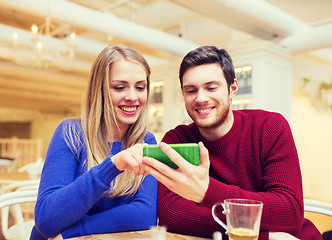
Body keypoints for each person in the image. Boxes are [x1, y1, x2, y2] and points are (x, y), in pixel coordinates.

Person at [142, 46, 322, 240]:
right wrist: (263, 236)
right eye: (191, 90)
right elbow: (173, 216)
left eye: (211, 88)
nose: (201, 98)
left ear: (232, 89)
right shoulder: (176, 140)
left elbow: (289, 212)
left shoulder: (270, 127)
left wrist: (207, 192)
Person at [30, 45, 158, 239]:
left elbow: (144, 213)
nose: (132, 96)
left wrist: (71, 232)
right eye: (119, 87)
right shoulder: (71, 133)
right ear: (100, 90)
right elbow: (47, 219)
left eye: (140, 87)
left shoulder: (146, 141)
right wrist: (113, 165)